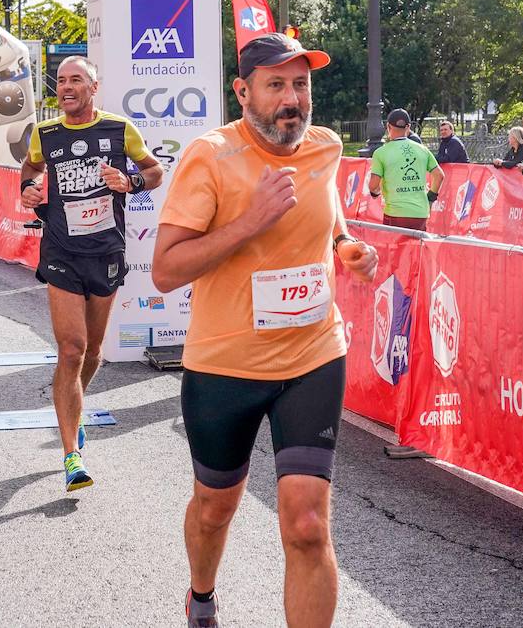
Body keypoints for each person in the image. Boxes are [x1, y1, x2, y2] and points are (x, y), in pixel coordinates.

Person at [151, 33, 379, 628]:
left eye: (300, 85)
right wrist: (251, 221)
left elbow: (329, 217)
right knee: (213, 507)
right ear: (243, 91)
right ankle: (202, 595)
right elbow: (166, 270)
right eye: (276, 85)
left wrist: (347, 245)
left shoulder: (325, 148)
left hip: (313, 354)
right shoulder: (210, 156)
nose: (291, 99)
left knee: (307, 525)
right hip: (225, 365)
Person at [21, 57, 163, 490]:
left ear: (93, 86)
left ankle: (70, 406)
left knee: (94, 351)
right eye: (61, 81)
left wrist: (130, 182)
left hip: (106, 251)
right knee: (71, 348)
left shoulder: (119, 129)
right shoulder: (45, 133)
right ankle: (72, 456)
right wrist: (27, 190)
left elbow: (155, 171)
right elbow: (30, 171)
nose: (66, 87)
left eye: (75, 80)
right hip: (62, 249)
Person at [368, 108, 443, 232]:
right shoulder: (422, 149)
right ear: (408, 127)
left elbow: (373, 185)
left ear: (388, 126)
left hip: (395, 212)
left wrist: (375, 193)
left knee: (394, 251)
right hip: (420, 213)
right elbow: (439, 175)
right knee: (415, 251)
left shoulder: (380, 153)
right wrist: (430, 197)